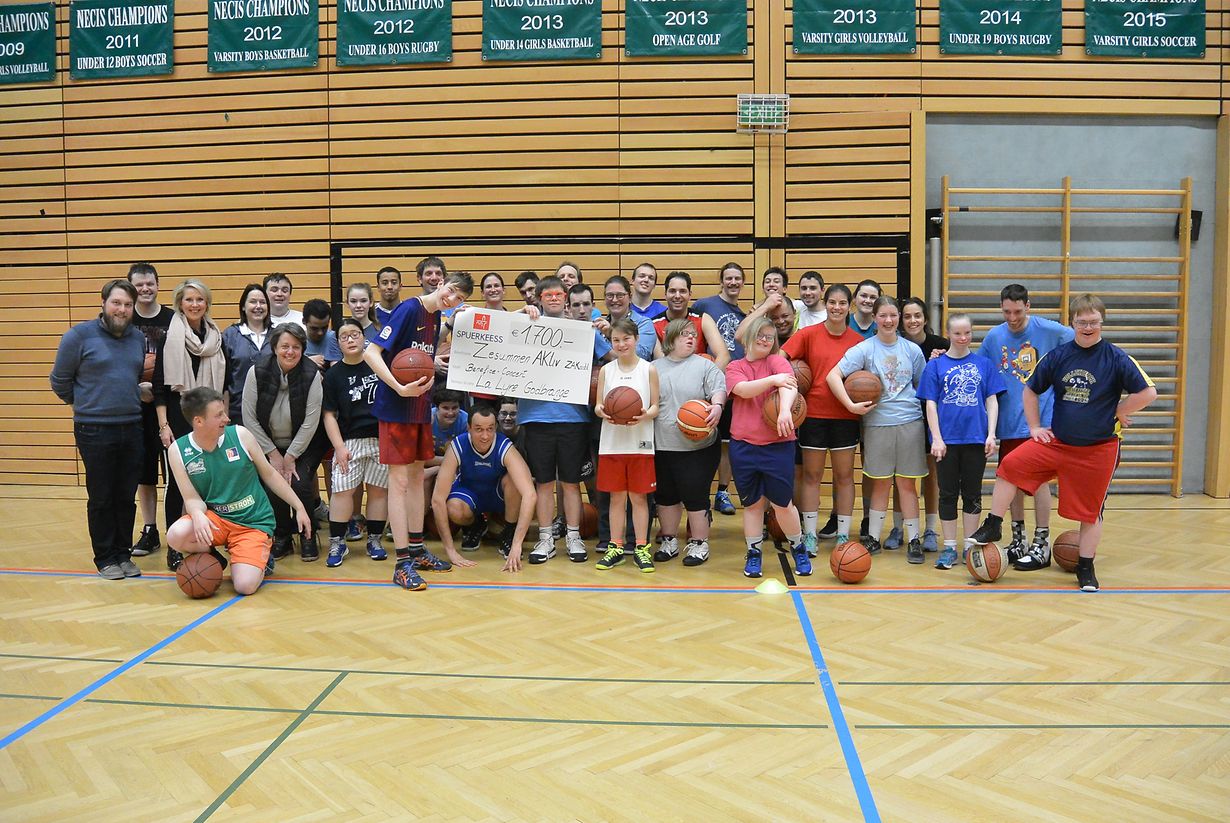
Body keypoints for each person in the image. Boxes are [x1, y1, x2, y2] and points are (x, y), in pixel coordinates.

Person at [971, 294, 1156, 592]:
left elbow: (1148, 393)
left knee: (1091, 512)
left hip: (1098, 449)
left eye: (1093, 322)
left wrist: (1120, 410)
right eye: (1082, 322)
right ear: (1072, 323)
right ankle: (993, 523)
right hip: (1058, 443)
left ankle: (1086, 567)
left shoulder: (1116, 357)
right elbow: (1030, 390)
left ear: (1102, 322)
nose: (1088, 327)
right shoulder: (1058, 356)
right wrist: (1034, 427)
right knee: (1009, 466)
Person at [364, 271, 475, 590]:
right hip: (396, 409)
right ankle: (401, 564)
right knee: (399, 483)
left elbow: (417, 358)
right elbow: (371, 353)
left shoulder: (436, 316)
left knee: (415, 479)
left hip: (419, 408)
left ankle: (416, 549)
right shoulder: (409, 309)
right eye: (451, 291)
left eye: (459, 299)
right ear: (441, 284)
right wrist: (398, 387)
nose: (452, 299)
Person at [165, 387, 312, 595]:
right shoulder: (178, 451)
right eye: (218, 415)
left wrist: (299, 507)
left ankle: (260, 559)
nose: (226, 418)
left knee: (244, 586)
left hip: (252, 522)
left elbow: (270, 474)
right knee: (176, 535)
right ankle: (215, 557)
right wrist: (197, 514)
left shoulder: (241, 435)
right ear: (199, 421)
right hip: (217, 519)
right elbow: (191, 498)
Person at [50, 279, 146, 580]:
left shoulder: (137, 338)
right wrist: (86, 404)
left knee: (125, 496)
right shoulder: (78, 336)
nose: (122, 309)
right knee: (102, 496)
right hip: (93, 429)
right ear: (103, 303)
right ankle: (105, 558)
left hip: (132, 426)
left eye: (128, 305)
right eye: (116, 303)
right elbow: (59, 381)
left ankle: (123, 554)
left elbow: (130, 377)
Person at [977, 283, 1075, 569]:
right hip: (1008, 422)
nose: (1012, 318)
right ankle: (1018, 540)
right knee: (1012, 482)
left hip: (1040, 423)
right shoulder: (994, 337)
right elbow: (979, 369)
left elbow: (1081, 341)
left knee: (1039, 482)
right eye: (1006, 312)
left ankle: (1041, 543)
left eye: (1017, 312)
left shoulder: (1051, 330)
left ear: (1028, 306)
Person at [517, 276, 611, 564]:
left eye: (559, 294)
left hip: (573, 418)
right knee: (544, 483)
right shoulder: (525, 324)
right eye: (548, 295)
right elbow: (498, 332)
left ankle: (573, 535)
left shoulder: (583, 330)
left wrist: (607, 331)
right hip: (536, 417)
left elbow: (613, 358)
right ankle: (546, 538)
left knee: (571, 483)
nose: (554, 299)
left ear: (566, 299)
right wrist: (520, 313)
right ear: (539, 299)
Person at [827, 296, 928, 560]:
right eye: (882, 315)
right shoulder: (864, 349)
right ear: (874, 318)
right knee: (880, 484)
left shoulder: (912, 350)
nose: (888, 320)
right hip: (877, 423)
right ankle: (873, 537)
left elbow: (922, 386)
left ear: (899, 318)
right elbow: (833, 375)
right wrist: (850, 405)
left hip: (910, 422)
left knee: (907, 485)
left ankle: (914, 539)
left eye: (893, 315)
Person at [781, 284, 865, 553]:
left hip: (846, 415)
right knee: (811, 476)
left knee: (844, 476)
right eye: (832, 302)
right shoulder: (808, 334)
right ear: (825, 303)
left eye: (842, 303)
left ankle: (843, 534)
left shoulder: (858, 342)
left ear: (849, 307)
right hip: (813, 414)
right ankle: (809, 534)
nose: (837, 307)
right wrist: (789, 382)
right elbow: (781, 359)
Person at [918, 313, 1005, 570]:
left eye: (967, 332)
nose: (963, 337)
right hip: (946, 442)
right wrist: (936, 438)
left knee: (972, 493)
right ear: (948, 334)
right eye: (957, 333)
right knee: (947, 494)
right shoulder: (935, 366)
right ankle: (949, 548)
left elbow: (991, 400)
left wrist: (991, 434)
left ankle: (969, 546)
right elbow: (930, 404)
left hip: (975, 439)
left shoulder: (984, 364)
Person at [726, 317, 810, 578]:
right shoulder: (735, 366)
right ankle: (754, 553)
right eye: (760, 335)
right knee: (752, 505)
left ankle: (798, 546)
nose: (765, 340)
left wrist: (784, 410)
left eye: (770, 337)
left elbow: (790, 386)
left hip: (778, 445)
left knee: (783, 504)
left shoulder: (777, 361)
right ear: (748, 337)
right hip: (743, 446)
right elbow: (743, 390)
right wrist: (774, 380)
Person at [154, 279, 227, 571]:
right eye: (189, 300)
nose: (194, 304)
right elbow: (160, 387)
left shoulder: (216, 337)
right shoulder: (169, 337)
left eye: (199, 299)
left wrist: (223, 420)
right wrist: (164, 425)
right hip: (178, 418)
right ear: (180, 304)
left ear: (206, 303)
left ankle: (207, 544)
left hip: (209, 420)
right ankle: (174, 547)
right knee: (177, 485)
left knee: (209, 482)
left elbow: (225, 387)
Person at [241, 322, 330, 562]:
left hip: (306, 443)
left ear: (303, 349)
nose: (290, 352)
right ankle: (282, 536)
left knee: (300, 483)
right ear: (274, 348)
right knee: (274, 485)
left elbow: (311, 421)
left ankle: (307, 534)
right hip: (268, 444)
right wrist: (273, 454)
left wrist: (291, 456)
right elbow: (249, 418)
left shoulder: (312, 374)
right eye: (285, 346)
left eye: (296, 347)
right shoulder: (256, 372)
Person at [652, 318, 725, 566]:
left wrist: (717, 405)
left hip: (698, 447)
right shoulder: (653, 368)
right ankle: (669, 540)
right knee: (666, 496)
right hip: (662, 444)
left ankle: (699, 544)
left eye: (693, 334)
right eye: (685, 334)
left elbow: (718, 389)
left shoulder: (705, 365)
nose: (691, 338)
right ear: (670, 339)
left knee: (696, 495)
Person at [430, 406, 538, 571]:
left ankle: (509, 532)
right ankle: (477, 523)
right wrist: (450, 550)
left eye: (490, 429)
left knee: (516, 483)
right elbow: (438, 499)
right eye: (479, 429)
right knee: (453, 508)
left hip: (498, 495)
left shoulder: (504, 446)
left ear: (495, 428)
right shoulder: (458, 445)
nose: (485, 436)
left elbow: (530, 494)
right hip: (469, 494)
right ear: (469, 428)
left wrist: (517, 544)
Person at [320, 318, 389, 567]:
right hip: (350, 441)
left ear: (364, 337)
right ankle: (338, 542)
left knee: (379, 491)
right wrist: (339, 447)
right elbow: (329, 415)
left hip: (381, 438)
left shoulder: (378, 365)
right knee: (342, 491)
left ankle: (375, 540)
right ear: (338, 343)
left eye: (355, 334)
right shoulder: (333, 375)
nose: (350, 339)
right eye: (344, 336)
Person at [594, 317, 660, 572]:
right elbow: (598, 405)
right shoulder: (606, 371)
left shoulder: (648, 369)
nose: (621, 344)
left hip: (640, 444)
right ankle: (616, 547)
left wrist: (644, 415)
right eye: (616, 340)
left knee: (639, 498)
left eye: (626, 339)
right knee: (616, 499)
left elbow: (655, 406)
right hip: (612, 444)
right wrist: (602, 411)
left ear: (636, 339)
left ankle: (641, 547)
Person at [886, 296, 950, 553]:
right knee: (901, 476)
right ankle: (898, 527)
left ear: (925, 319)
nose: (912, 321)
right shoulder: (895, 345)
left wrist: (941, 364)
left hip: (934, 418)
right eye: (907, 316)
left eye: (917, 316)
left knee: (932, 475)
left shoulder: (942, 346)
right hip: (904, 417)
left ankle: (931, 529)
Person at [127, 263, 175, 559]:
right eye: (139, 285)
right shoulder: (124, 319)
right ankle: (150, 530)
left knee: (174, 473)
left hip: (168, 406)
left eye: (150, 283)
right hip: (135, 408)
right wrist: (136, 387)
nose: (145, 289)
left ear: (158, 285)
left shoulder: (173, 318)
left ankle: (176, 531)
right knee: (144, 474)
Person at [694, 262, 748, 516]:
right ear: (721, 280)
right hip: (705, 386)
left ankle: (722, 492)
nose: (733, 282)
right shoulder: (704, 305)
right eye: (729, 278)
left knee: (726, 443)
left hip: (732, 388)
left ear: (743, 282)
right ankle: (698, 492)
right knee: (700, 440)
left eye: (737, 278)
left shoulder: (744, 316)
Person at [652, 272, 729, 368]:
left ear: (690, 295)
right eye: (672, 291)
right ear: (665, 294)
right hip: (669, 375)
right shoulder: (654, 324)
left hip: (699, 374)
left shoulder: (703, 319)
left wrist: (710, 376)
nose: (677, 296)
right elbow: (661, 364)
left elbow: (723, 356)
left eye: (682, 291)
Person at [221, 284, 271, 424]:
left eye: (262, 302)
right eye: (253, 302)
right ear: (243, 306)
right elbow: (224, 379)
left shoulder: (277, 335)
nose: (258, 306)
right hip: (238, 410)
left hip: (272, 412)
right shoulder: (230, 335)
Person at [302, 299, 342, 369]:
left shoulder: (338, 339)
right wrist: (307, 362)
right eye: (314, 328)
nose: (320, 333)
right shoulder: (296, 341)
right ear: (304, 321)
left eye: (324, 327)